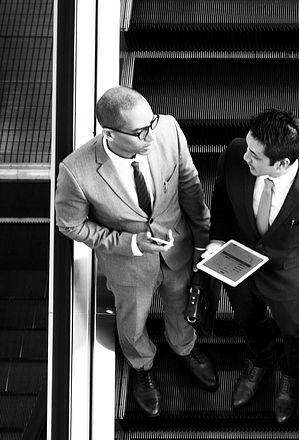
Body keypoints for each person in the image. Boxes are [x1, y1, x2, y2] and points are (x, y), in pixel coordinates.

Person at [55, 86, 218, 417]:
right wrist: (129, 243)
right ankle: (142, 365)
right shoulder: (76, 171)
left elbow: (190, 186)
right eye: (140, 132)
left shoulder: (167, 129)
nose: (150, 136)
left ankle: (183, 346)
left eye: (151, 123)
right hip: (127, 266)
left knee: (180, 301)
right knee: (133, 321)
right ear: (111, 134)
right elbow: (70, 225)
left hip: (178, 249)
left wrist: (202, 240)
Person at [204, 108, 299, 423]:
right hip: (239, 265)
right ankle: (259, 360)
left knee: (295, 331)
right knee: (246, 319)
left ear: (282, 163)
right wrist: (217, 240)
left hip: (289, 278)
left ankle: (291, 376)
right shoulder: (235, 153)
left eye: (255, 156)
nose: (246, 157)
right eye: (247, 148)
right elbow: (222, 199)